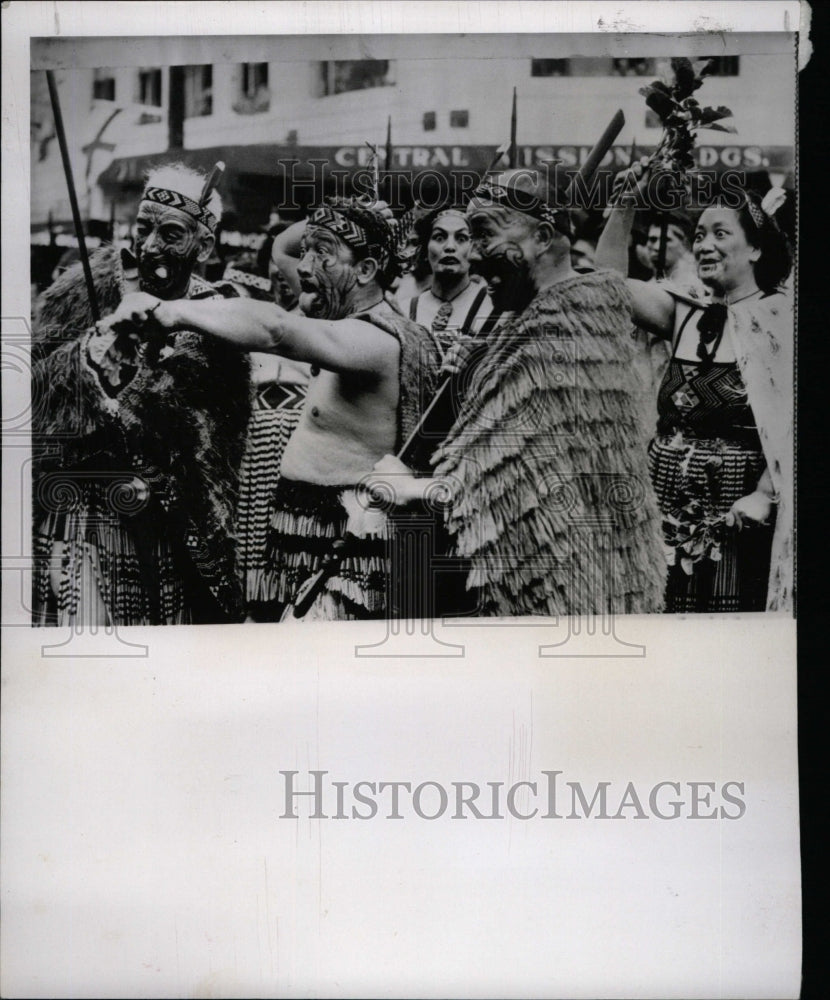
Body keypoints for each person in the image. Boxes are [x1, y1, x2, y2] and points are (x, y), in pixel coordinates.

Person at [102, 197, 441, 620]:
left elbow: (277, 330)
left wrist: (170, 311)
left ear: (367, 271)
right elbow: (282, 248)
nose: (302, 268)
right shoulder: (334, 310)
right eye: (309, 250)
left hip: (343, 545)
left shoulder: (375, 341)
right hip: (293, 533)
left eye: (323, 255)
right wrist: (344, 216)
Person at [369, 169, 667, 617]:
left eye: (485, 234)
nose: (474, 253)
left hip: (555, 588)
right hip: (608, 577)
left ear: (543, 236)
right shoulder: (594, 299)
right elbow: (609, 271)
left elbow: (491, 485)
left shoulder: (548, 336)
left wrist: (407, 489)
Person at [32, 163, 251, 626]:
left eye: (171, 234)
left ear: (204, 245)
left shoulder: (218, 317)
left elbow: (215, 448)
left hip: (169, 530)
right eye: (144, 228)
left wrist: (149, 382)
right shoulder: (82, 290)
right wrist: (86, 363)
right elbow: (29, 394)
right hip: (84, 514)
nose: (150, 246)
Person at [595, 167, 793, 612]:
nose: (704, 245)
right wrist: (626, 202)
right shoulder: (684, 312)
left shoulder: (785, 319)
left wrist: (764, 493)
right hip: (661, 509)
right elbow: (604, 289)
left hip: (738, 521)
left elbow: (799, 425)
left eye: (720, 234)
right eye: (700, 234)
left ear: (757, 247)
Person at [218, 253, 312, 618]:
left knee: (285, 539)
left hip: (294, 444)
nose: (282, 277)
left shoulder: (309, 321)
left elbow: (285, 247)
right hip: (250, 442)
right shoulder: (246, 323)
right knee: (245, 535)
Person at [399, 206, 493, 353]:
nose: (450, 247)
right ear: (425, 249)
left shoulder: (491, 307)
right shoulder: (403, 311)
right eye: (439, 237)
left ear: (475, 248)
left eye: (461, 238)